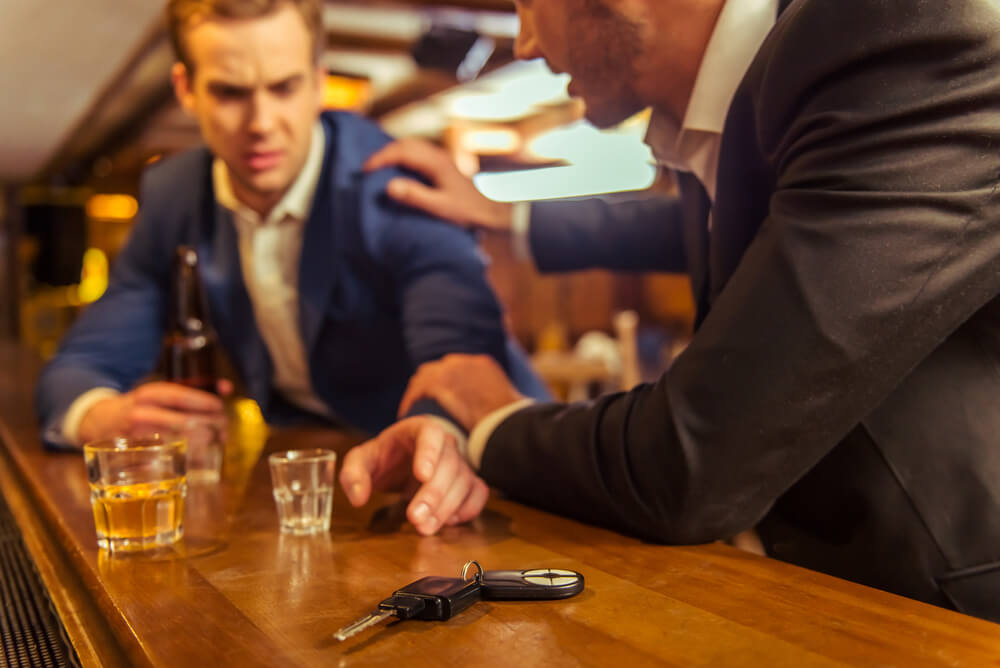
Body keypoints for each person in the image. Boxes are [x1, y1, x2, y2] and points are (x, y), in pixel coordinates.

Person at [340, 0, 1000, 621]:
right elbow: (754, 216)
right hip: (849, 601)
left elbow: (687, 461)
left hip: (963, 612)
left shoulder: (897, 32)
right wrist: (512, 217)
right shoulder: (745, 103)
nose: (524, 43)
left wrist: (492, 415)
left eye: (527, 5)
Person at [35, 0, 549, 492]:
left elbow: (461, 362)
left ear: (319, 82)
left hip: (495, 467)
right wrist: (101, 417)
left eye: (284, 87)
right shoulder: (173, 196)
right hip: (315, 472)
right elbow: (79, 367)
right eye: (231, 93)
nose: (261, 124)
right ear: (186, 89)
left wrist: (439, 438)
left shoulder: (397, 182)